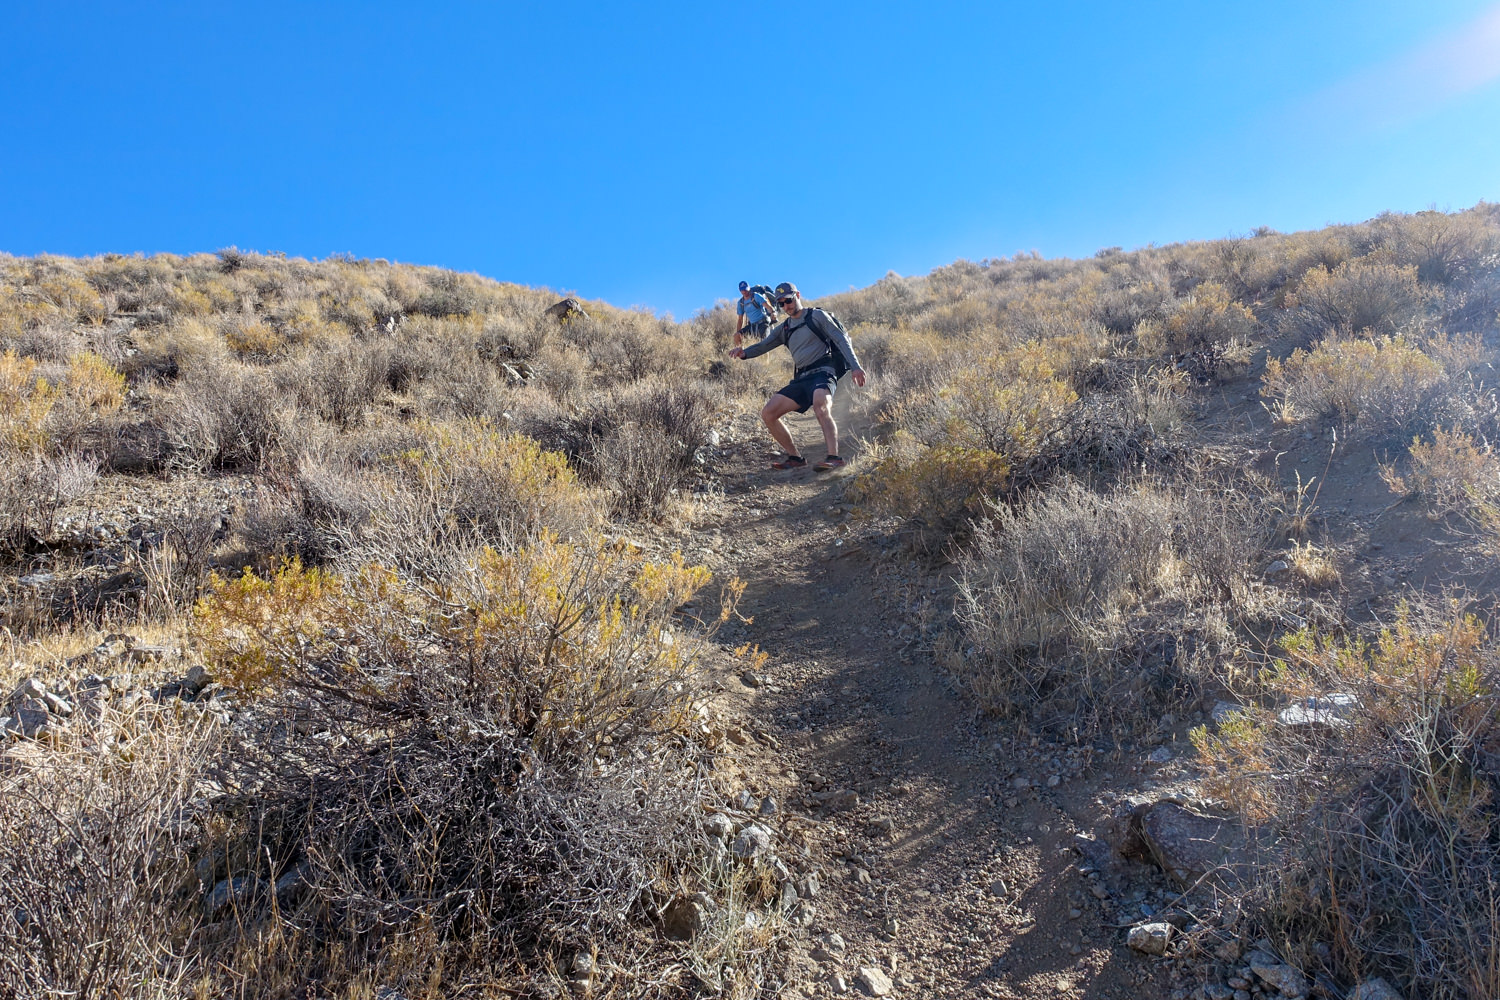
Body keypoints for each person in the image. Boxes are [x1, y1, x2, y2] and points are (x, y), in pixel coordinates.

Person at [728, 282, 867, 471]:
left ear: (798, 295)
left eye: (789, 300)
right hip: (802, 378)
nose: (786, 306)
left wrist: (855, 367)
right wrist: (744, 353)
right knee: (768, 413)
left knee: (821, 405)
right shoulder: (784, 328)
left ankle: (834, 457)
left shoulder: (816, 316)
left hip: (824, 371)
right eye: (781, 303)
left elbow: (840, 338)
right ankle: (795, 458)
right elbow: (764, 345)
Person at [733, 281, 774, 347]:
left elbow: (768, 306)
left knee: (763, 344)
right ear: (740, 290)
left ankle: (765, 357)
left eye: (745, 289)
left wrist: (773, 313)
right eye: (742, 290)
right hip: (752, 325)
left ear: (749, 288)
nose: (744, 292)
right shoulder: (741, 303)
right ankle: (740, 352)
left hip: (763, 323)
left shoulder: (756, 296)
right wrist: (738, 332)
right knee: (737, 336)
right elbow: (740, 320)